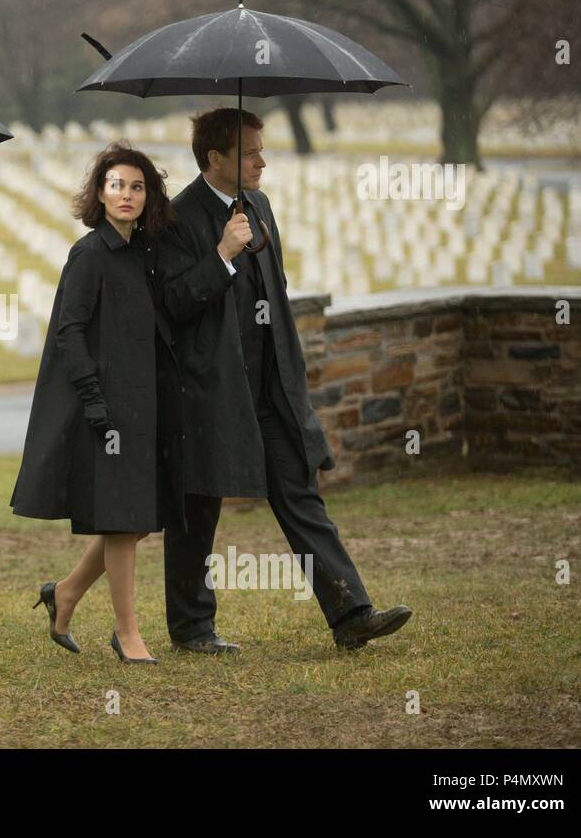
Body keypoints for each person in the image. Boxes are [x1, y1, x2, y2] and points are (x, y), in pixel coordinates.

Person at [161, 107, 412, 652]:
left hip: (271, 386)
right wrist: (223, 254)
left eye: (260, 150)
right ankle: (192, 627)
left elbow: (274, 290)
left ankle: (351, 612)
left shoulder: (261, 206)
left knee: (299, 492)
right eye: (250, 153)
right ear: (215, 158)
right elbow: (173, 303)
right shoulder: (177, 218)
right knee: (198, 504)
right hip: (211, 389)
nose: (262, 161)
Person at [11, 142, 186, 664]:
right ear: (100, 193)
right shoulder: (89, 255)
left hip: (143, 405)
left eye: (136, 186)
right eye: (116, 185)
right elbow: (69, 331)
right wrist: (93, 400)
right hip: (104, 408)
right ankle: (127, 632)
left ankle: (64, 594)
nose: (126, 194)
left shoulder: (143, 254)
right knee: (123, 520)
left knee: (130, 520)